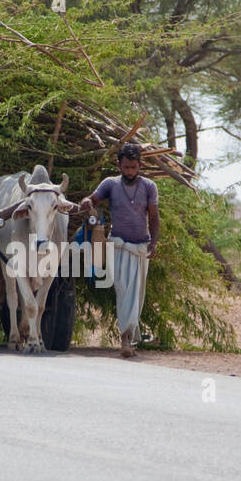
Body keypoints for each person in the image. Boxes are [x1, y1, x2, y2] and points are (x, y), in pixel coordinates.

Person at [76, 145, 160, 358]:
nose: (130, 171)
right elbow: (92, 200)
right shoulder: (110, 184)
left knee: (136, 296)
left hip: (140, 247)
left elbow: (154, 217)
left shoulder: (149, 187)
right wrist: (86, 202)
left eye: (133, 167)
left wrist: (154, 243)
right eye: (126, 167)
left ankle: (127, 338)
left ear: (140, 166)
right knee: (122, 290)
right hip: (118, 246)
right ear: (119, 166)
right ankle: (125, 338)